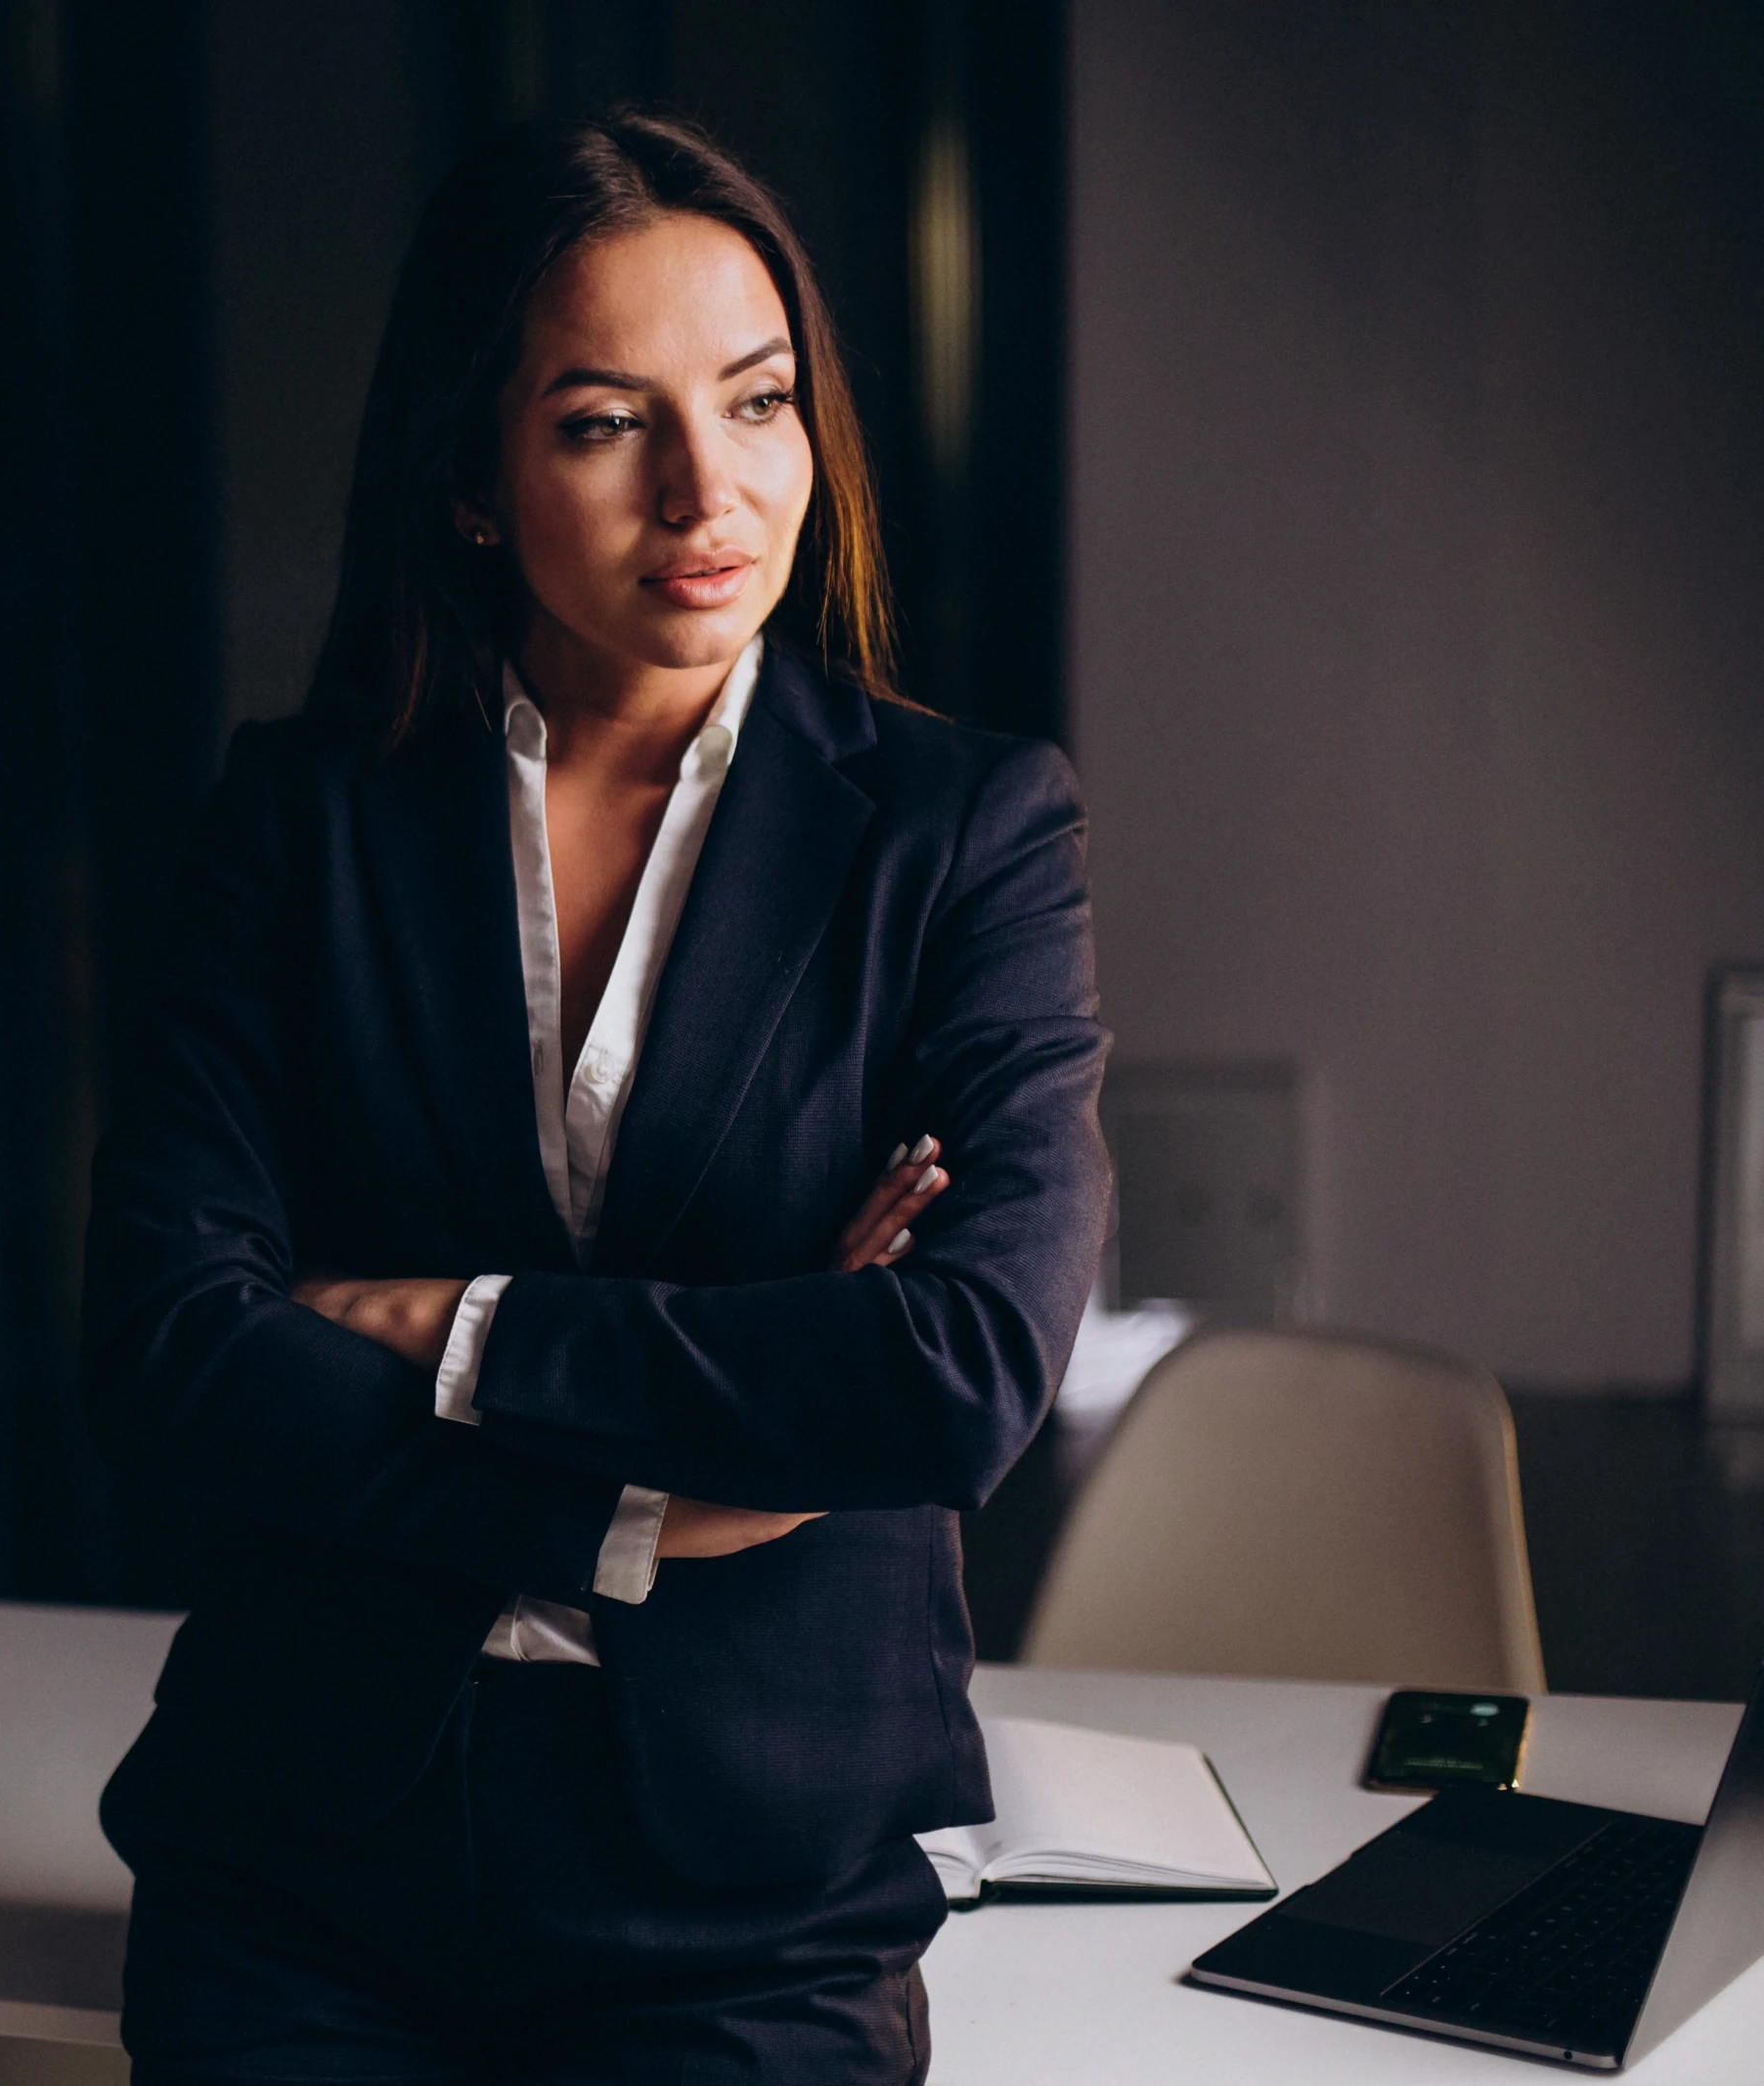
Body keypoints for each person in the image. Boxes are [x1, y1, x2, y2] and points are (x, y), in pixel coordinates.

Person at [81, 110, 1110, 2085]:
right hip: (300, 1864)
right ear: (471, 475)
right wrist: (680, 1477)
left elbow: (957, 1367)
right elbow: (161, 1346)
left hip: (743, 1901)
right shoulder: (298, 824)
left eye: (755, 403)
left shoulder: (964, 836)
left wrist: (440, 1324)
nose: (706, 489)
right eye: (598, 422)